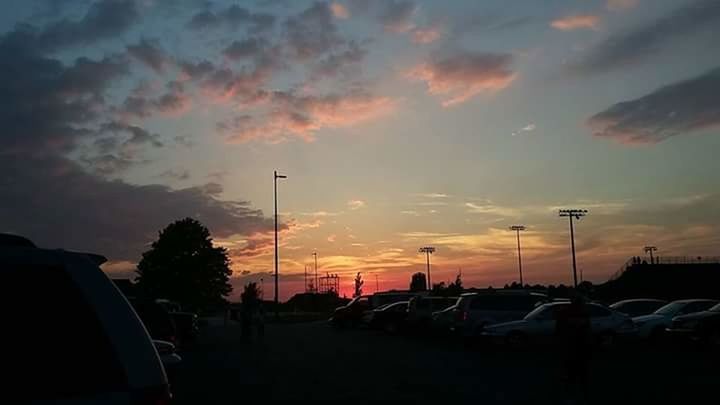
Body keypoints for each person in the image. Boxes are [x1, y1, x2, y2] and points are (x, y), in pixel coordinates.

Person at [555, 295, 592, 403]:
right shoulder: (583, 314)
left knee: (571, 376)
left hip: (571, 350)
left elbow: (558, 332)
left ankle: (571, 396)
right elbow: (587, 332)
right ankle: (581, 396)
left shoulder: (564, 314)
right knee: (581, 377)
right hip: (578, 350)